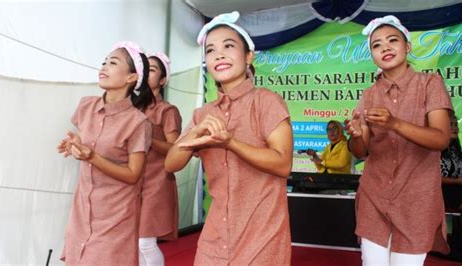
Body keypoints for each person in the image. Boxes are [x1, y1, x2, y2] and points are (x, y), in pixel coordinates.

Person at [165, 11, 293, 265]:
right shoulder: (203, 113)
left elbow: (282, 164)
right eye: (210, 50)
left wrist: (230, 143)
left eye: (229, 46)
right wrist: (193, 134)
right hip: (215, 236)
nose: (219, 54)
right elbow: (170, 164)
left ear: (248, 56)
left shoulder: (267, 101)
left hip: (262, 236)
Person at [345, 15, 452, 265]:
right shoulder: (369, 94)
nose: (385, 47)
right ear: (372, 55)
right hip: (374, 195)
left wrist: (395, 124)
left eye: (392, 40)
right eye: (377, 45)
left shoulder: (430, 84)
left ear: (408, 46)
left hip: (416, 199)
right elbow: (361, 152)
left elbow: (440, 139)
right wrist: (357, 135)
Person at [57, 41, 153, 265]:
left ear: (131, 77)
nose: (104, 67)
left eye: (113, 62)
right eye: (104, 62)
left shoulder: (138, 122)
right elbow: (91, 142)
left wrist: (92, 157)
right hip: (83, 211)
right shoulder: (86, 106)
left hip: (115, 217)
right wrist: (75, 145)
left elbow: (133, 174)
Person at [138, 52, 182, 266]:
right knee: (135, 242)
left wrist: (150, 139)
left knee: (145, 243)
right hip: (132, 182)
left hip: (157, 182)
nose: (146, 73)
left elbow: (175, 149)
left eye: (152, 69)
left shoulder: (168, 111)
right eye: (144, 68)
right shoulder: (132, 108)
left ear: (163, 80)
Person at [441, 112, 462, 261]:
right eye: (450, 125)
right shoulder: (433, 150)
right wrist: (457, 182)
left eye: (456, 124)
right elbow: (430, 178)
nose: (455, 128)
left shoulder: (456, 151)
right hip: (439, 192)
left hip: (458, 190)